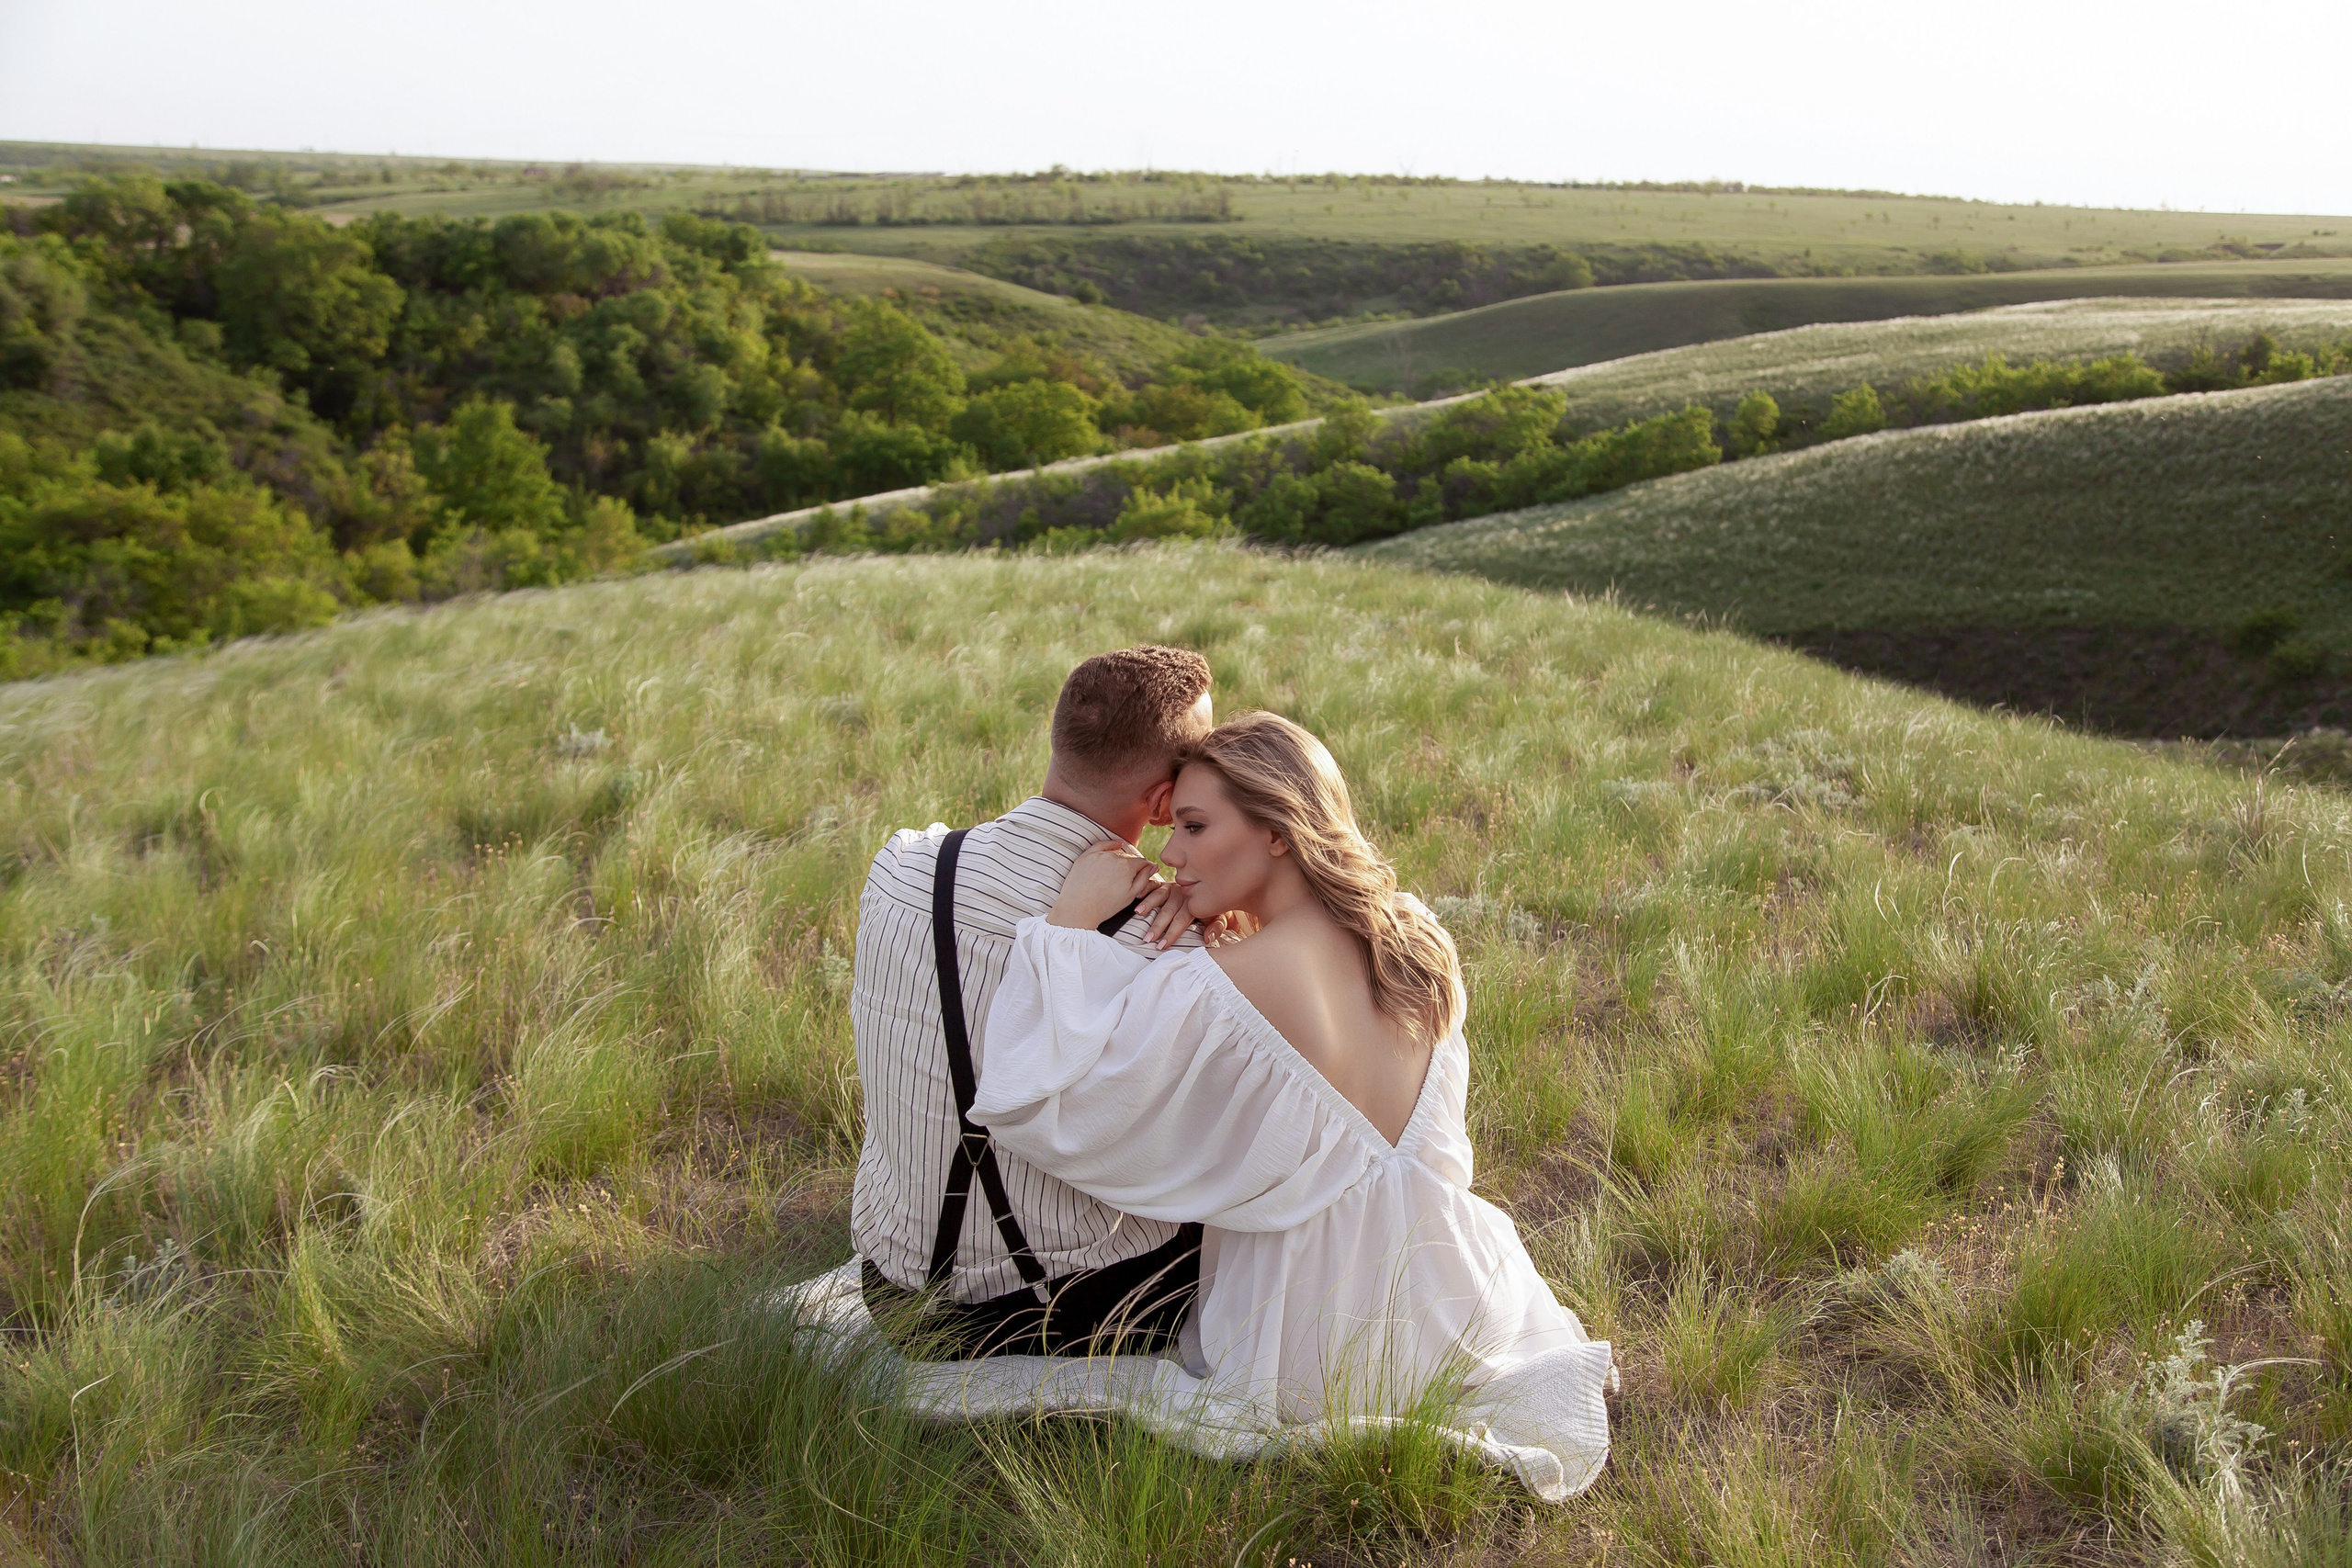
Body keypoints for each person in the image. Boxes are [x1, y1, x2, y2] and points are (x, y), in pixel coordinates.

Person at [970, 711, 1611, 1468]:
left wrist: (1069, 923)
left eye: (1195, 826)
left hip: (1313, 1340)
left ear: (1278, 831)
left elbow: (1049, 1103)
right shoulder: (1419, 940)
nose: (1170, 853)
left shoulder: (1230, 982)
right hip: (1456, 1302)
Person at [849, 645, 1224, 1358]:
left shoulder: (901, 864)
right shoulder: (1164, 935)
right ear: (1164, 800)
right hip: (1068, 1307)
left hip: (891, 1286)